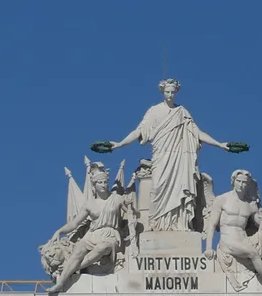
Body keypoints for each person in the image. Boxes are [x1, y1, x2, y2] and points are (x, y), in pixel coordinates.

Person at [93, 79, 243, 231]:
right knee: (157, 188)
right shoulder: (154, 111)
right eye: (167, 92)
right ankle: (157, 224)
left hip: (179, 159)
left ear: (176, 92)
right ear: (162, 92)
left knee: (180, 189)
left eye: (172, 92)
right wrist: (120, 144)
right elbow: (139, 131)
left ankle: (180, 224)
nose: (170, 95)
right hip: (161, 157)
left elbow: (196, 133)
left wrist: (219, 144)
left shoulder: (182, 112)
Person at [47, 162, 137, 294]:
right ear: (94, 185)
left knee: (102, 248)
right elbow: (75, 223)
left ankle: (72, 269)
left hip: (110, 235)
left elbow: (134, 215)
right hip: (93, 235)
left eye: (105, 182)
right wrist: (59, 231)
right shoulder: (90, 204)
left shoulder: (117, 199)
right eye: (100, 183)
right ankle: (60, 283)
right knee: (79, 250)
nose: (103, 185)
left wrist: (131, 208)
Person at [203, 169, 262, 291]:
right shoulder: (222, 199)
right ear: (233, 182)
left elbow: (259, 222)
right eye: (238, 181)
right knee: (253, 253)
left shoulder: (250, 204)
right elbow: (212, 225)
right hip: (228, 241)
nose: (241, 185)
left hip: (244, 240)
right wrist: (209, 248)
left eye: (244, 182)